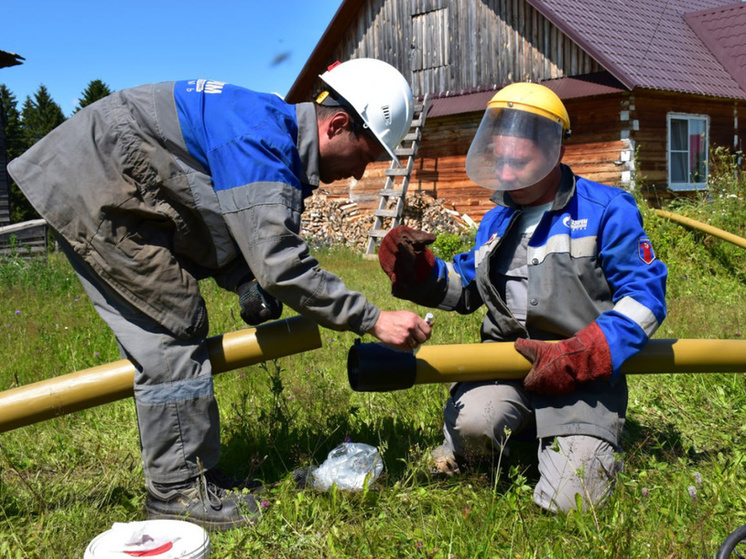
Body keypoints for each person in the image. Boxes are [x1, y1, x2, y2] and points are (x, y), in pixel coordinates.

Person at [7, 58, 432, 531]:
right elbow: (281, 263)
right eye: (364, 156)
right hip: (98, 186)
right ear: (337, 124)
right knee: (173, 330)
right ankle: (178, 492)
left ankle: (196, 476)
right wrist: (372, 319)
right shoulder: (260, 142)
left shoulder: (267, 135)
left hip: (118, 181)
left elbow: (206, 208)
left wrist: (242, 279)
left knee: (179, 320)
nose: (358, 174)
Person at [378, 82, 667, 513]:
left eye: (517, 146)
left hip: (579, 372)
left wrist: (588, 351)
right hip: (503, 365)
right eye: (498, 146)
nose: (503, 155)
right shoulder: (496, 218)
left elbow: (645, 298)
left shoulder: (608, 209)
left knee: (573, 504)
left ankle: (580, 443)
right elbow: (468, 288)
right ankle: (514, 437)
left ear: (552, 146)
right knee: (474, 426)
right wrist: (419, 270)